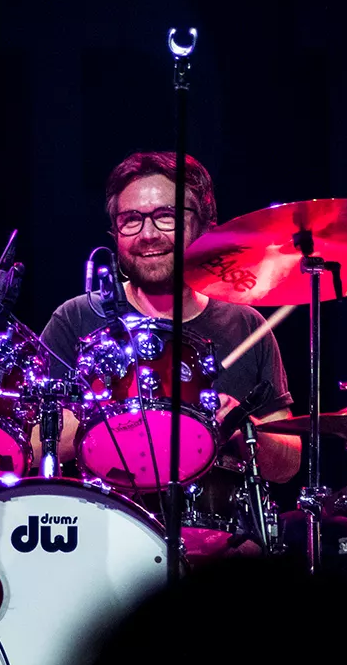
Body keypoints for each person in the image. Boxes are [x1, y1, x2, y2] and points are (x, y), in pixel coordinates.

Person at [34, 152, 302, 485]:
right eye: (131, 219)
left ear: (205, 227)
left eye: (166, 216)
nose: (147, 234)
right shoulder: (76, 318)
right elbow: (30, 446)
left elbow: (288, 465)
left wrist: (242, 427)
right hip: (104, 514)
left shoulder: (246, 325)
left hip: (217, 518)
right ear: (115, 233)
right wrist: (110, 415)